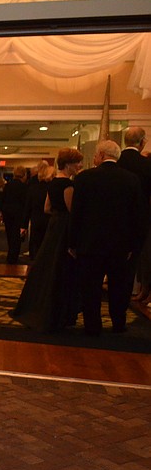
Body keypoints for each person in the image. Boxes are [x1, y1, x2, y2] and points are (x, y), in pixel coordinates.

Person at [69, 139, 144, 335]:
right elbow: (137, 215)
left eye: (95, 155)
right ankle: (118, 323)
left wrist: (72, 242)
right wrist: (134, 246)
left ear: (101, 155)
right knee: (119, 286)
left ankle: (92, 326)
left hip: (90, 242)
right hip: (120, 245)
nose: (94, 158)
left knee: (91, 286)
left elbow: (77, 214)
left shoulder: (84, 178)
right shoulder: (131, 180)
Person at [11, 150, 82, 332]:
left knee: (47, 266)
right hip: (64, 228)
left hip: (53, 226)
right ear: (68, 165)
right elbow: (72, 211)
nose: (80, 166)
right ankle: (57, 313)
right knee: (60, 269)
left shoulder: (53, 183)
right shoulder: (68, 185)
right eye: (77, 163)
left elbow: (47, 208)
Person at [116, 127, 151, 303]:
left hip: (116, 217)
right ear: (142, 142)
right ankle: (144, 289)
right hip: (142, 216)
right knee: (144, 255)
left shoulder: (116, 161)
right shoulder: (146, 164)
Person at [24, 160, 53, 261]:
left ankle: (34, 259)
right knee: (46, 241)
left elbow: (28, 206)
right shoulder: (51, 187)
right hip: (48, 217)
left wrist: (24, 224)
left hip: (36, 217)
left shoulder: (33, 186)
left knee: (35, 240)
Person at [2, 165, 29, 264]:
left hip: (7, 212)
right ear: (24, 174)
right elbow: (25, 202)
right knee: (16, 236)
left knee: (9, 234)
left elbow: (3, 199)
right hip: (18, 213)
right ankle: (13, 256)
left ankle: (11, 254)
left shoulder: (8, 185)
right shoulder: (24, 187)